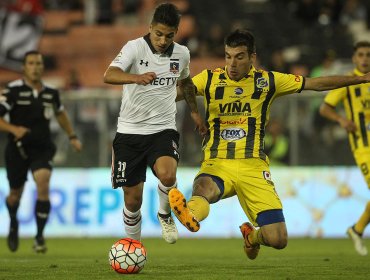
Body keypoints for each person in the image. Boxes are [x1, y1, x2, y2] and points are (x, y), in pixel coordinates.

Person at [170, 29, 370, 260]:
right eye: (228, 56)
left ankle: (251, 237)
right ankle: (190, 214)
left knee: (278, 239)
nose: (232, 64)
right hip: (218, 163)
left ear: (252, 57)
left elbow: (315, 83)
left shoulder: (268, 81)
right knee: (203, 188)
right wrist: (151, 89)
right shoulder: (209, 78)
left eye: (239, 57)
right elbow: (179, 92)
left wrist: (362, 78)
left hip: (253, 167)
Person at [103, 3, 206, 244]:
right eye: (158, 34)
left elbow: (187, 83)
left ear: (176, 32)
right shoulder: (134, 48)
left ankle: (165, 213)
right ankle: (134, 246)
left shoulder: (182, 54)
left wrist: (194, 113)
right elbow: (109, 75)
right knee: (132, 201)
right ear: (150, 28)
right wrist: (135, 78)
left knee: (168, 175)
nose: (162, 40)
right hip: (130, 132)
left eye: (169, 35)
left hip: (163, 129)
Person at [0, 50, 82, 253]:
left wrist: (72, 136)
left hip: (42, 148)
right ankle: (13, 222)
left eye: (38, 64)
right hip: (17, 149)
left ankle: (39, 237)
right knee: (14, 195)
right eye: (31, 63)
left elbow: (60, 113)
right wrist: (14, 129)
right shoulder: (12, 91)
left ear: (42, 67)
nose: (35, 67)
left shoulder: (50, 93)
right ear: (24, 67)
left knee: (43, 183)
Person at [319, 41, 370, 256]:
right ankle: (357, 229)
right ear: (354, 58)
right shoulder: (349, 82)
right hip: (363, 146)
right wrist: (341, 120)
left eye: (368, 55)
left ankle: (357, 230)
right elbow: (324, 108)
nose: (365, 58)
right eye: (361, 55)